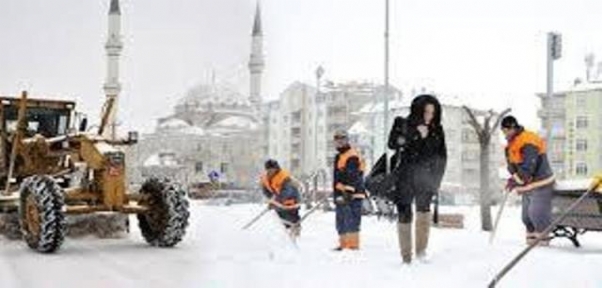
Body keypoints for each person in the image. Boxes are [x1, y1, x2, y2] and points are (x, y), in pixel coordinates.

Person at [388, 94, 447, 264]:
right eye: (426, 112)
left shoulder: (437, 129)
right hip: (404, 176)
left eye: (432, 113)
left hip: (426, 177)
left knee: (423, 211)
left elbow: (441, 156)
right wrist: (415, 134)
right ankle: (406, 257)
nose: (429, 116)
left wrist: (436, 181)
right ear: (418, 111)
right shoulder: (402, 123)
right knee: (404, 214)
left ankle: (421, 252)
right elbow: (393, 143)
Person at [501, 116, 555, 246]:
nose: (505, 133)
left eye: (506, 130)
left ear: (513, 127)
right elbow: (511, 166)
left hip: (542, 181)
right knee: (526, 217)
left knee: (536, 214)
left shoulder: (529, 140)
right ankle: (531, 241)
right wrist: (512, 177)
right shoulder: (510, 145)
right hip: (527, 185)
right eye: (503, 131)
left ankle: (543, 241)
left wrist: (516, 180)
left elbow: (529, 166)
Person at [332, 130, 366, 251]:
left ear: (347, 141)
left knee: (351, 219)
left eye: (342, 139)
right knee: (341, 220)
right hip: (342, 193)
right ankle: (344, 244)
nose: (340, 142)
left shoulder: (351, 155)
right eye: (337, 140)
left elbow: (353, 176)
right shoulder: (340, 156)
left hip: (353, 194)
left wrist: (348, 192)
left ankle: (352, 246)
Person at [260, 159, 302, 238]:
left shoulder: (284, 177)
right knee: (281, 218)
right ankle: (286, 233)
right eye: (268, 170)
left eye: (272, 169)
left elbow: (287, 192)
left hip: (292, 200)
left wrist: (275, 201)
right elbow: (265, 190)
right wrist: (271, 200)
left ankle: (295, 230)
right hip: (279, 202)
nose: (270, 171)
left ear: (276, 168)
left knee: (292, 217)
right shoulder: (265, 178)